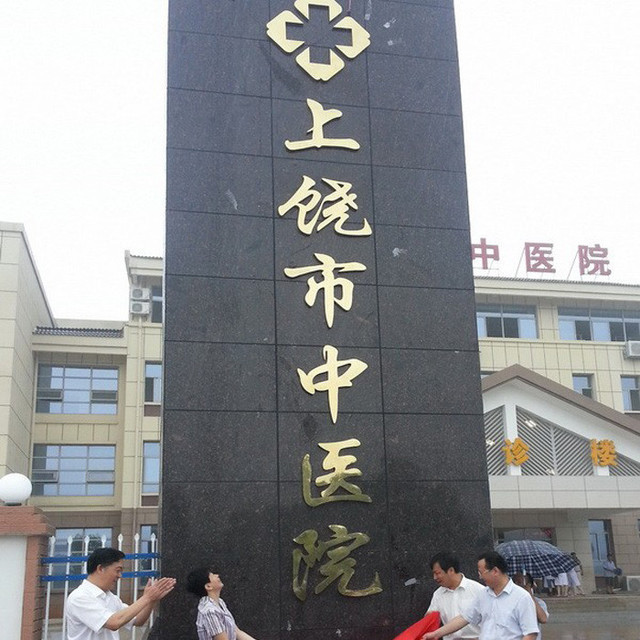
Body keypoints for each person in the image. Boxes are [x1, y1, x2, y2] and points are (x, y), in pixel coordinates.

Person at [421, 551, 539, 640]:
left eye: (481, 573)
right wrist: (435, 634)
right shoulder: (483, 595)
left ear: (495, 571)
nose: (480, 577)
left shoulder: (521, 597)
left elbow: (530, 633)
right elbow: (463, 618)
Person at [65, 547, 176, 640]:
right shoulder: (79, 597)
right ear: (100, 568)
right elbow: (114, 623)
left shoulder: (110, 597)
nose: (120, 576)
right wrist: (147, 597)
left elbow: (138, 620)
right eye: (117, 570)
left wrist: (152, 600)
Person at [186, 566, 259, 640]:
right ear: (208, 586)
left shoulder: (220, 603)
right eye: (212, 575)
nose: (217, 575)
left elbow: (237, 632)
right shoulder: (209, 611)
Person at [424, 551, 485, 639]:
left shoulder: (478, 590)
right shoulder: (438, 594)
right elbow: (431, 619)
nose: (435, 577)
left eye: (437, 573)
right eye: (433, 574)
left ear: (451, 570)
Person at [513, 573, 548, 639]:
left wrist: (529, 595)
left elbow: (543, 619)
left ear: (529, 585)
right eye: (514, 582)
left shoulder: (539, 602)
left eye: (519, 582)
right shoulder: (509, 601)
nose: (516, 585)